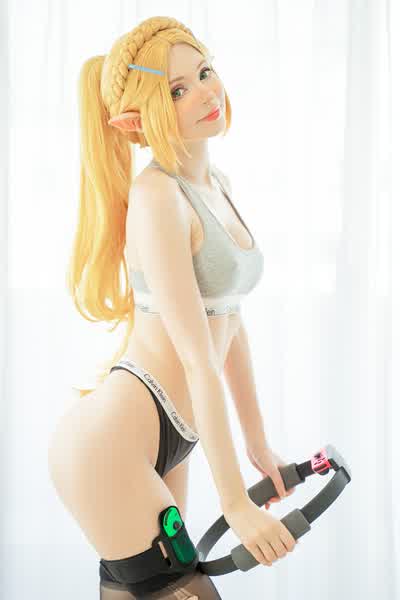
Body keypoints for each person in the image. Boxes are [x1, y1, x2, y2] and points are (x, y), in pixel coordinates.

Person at [47, 15, 297, 598]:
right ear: (134, 122)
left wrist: (258, 446)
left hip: (171, 436)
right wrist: (234, 504)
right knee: (182, 589)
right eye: (178, 90)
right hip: (114, 441)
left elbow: (229, 324)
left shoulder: (218, 184)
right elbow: (197, 359)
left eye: (204, 73)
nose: (206, 92)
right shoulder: (156, 196)